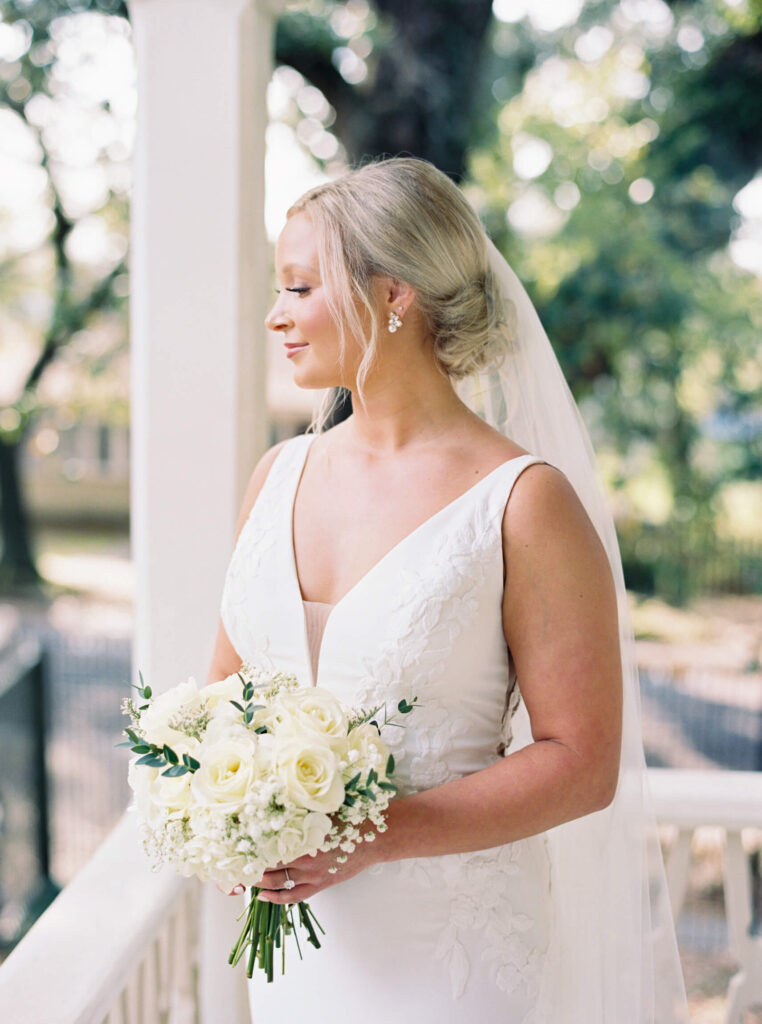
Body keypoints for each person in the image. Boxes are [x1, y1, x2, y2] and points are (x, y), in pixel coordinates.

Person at [205, 157, 688, 1023]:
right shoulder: (277, 474)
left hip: (450, 959)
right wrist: (223, 810)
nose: (277, 315)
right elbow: (220, 701)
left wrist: (373, 837)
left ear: (395, 295)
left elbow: (582, 764)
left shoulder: (522, 500)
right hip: (297, 951)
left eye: (302, 287)